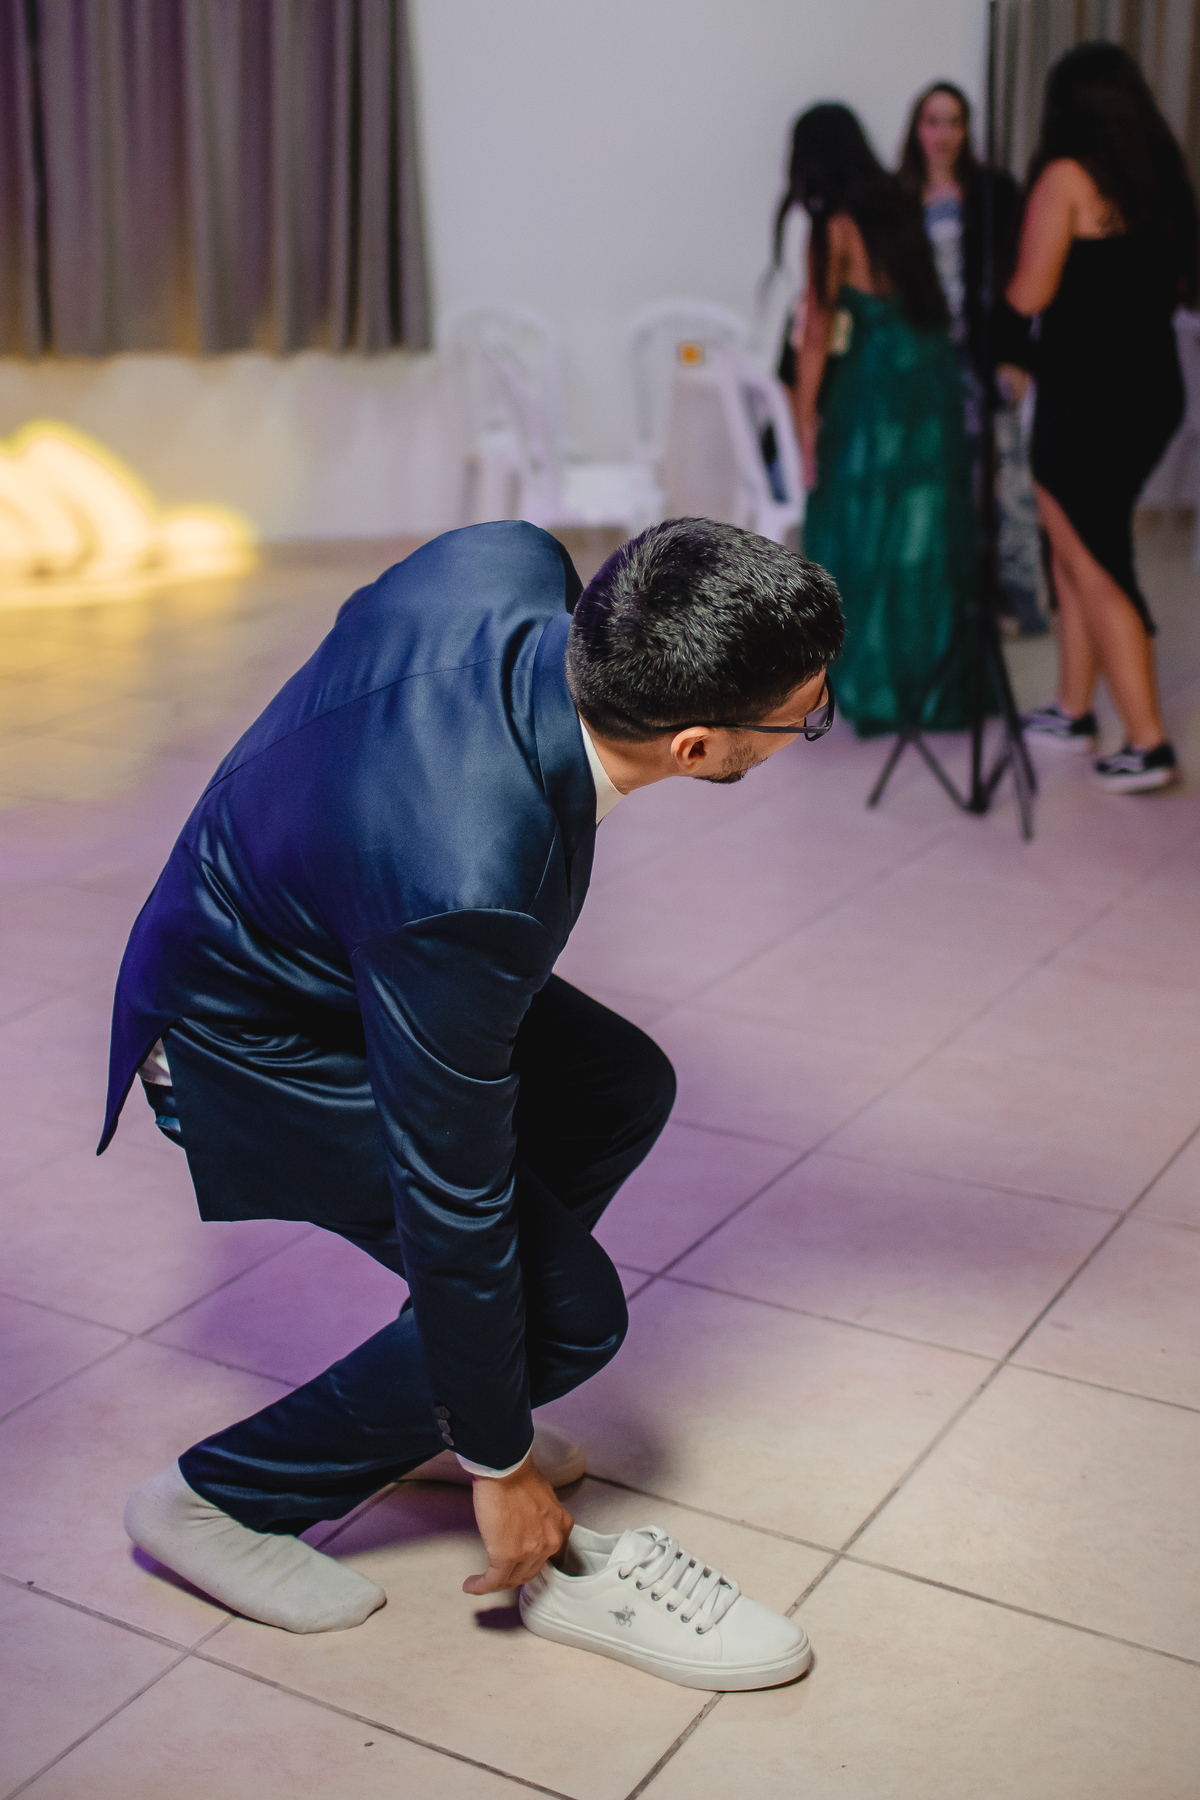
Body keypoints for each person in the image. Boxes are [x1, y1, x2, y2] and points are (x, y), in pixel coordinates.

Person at [103, 516, 843, 1690]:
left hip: (347, 935)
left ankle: (438, 1391)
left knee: (617, 1086)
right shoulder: (474, 886)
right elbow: (450, 1190)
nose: (813, 718)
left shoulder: (505, 558)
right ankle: (217, 1500)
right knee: (568, 1319)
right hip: (242, 1036)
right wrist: (501, 1459)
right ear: (698, 747)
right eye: (805, 717)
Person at [1008, 42, 1199, 792]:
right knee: (1073, 547)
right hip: (1151, 389)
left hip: (1085, 398)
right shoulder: (1157, 179)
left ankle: (1148, 743)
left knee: (1095, 559)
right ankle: (1074, 709)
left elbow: (1029, 294)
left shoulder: (1066, 177)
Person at [775, 103, 983, 737]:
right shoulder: (898, 206)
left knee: (863, 529)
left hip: (872, 384)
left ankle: (880, 688)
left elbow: (815, 336)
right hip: (929, 375)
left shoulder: (832, 226)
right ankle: (932, 683)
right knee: (924, 531)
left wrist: (805, 425)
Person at [899, 80, 1046, 638]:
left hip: (983, 353)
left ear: (967, 129)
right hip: (924, 357)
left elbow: (1016, 274)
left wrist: (1016, 355)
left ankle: (1008, 597)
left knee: (999, 480)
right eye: (932, 121)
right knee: (934, 480)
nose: (943, 134)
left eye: (954, 122)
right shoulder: (898, 196)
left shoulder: (991, 191)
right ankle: (944, 598)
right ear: (917, 128)